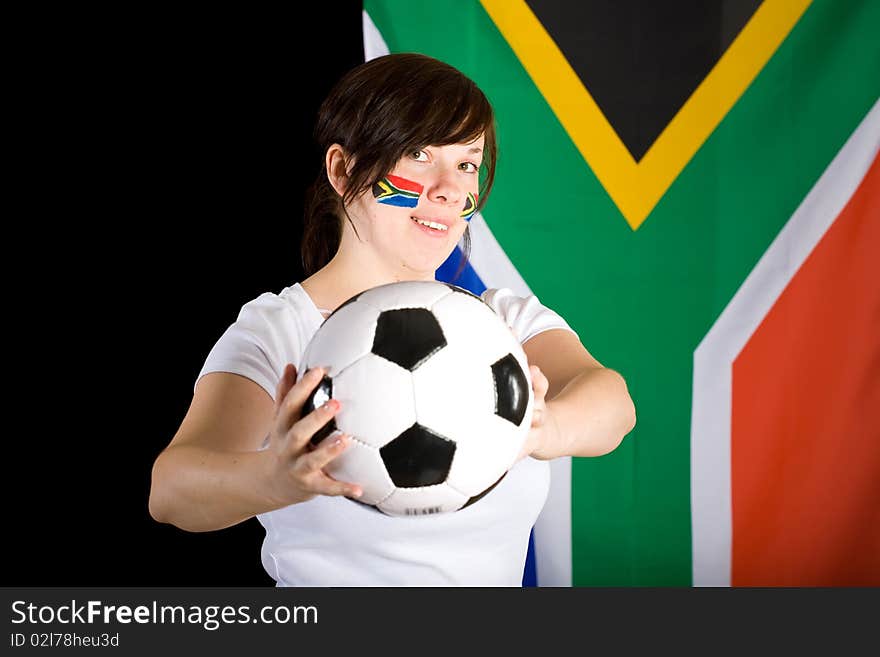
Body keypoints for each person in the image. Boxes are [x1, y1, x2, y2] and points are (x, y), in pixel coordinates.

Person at [148, 53, 636, 586]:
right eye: (418, 153)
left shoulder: (500, 323)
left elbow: (613, 404)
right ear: (342, 169)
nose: (450, 188)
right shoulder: (279, 329)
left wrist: (547, 427)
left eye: (467, 162)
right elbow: (171, 493)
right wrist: (277, 478)